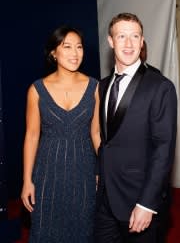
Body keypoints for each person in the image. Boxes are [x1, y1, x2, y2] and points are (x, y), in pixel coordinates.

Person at [95, 12, 177, 243]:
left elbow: (164, 148)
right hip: (105, 200)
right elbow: (106, 140)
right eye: (121, 36)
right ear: (111, 41)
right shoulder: (103, 86)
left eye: (135, 36)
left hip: (138, 200)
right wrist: (99, 172)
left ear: (142, 41)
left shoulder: (160, 87)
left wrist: (147, 203)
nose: (129, 43)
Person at [21, 25, 100, 243]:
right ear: (54, 52)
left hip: (83, 171)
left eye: (79, 47)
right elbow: (32, 136)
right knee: (45, 230)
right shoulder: (36, 90)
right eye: (67, 47)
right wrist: (27, 180)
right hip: (47, 174)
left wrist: (102, 169)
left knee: (83, 231)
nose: (75, 53)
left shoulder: (95, 87)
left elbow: (96, 134)